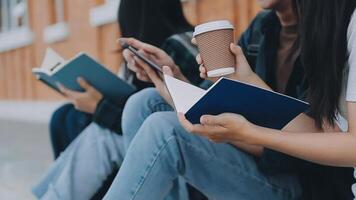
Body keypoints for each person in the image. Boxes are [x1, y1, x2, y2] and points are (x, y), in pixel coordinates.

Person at [102, 0, 355, 199]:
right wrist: (172, 76)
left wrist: (245, 132)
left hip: (300, 179)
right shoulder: (261, 29)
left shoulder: (331, 32)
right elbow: (210, 107)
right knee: (144, 102)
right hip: (258, 152)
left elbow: (314, 143)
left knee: (164, 131)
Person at [32, 0, 205, 199]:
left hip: (178, 143)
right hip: (152, 131)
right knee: (64, 115)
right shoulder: (142, 54)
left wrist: (99, 107)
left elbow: (150, 117)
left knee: (98, 133)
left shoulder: (178, 47)